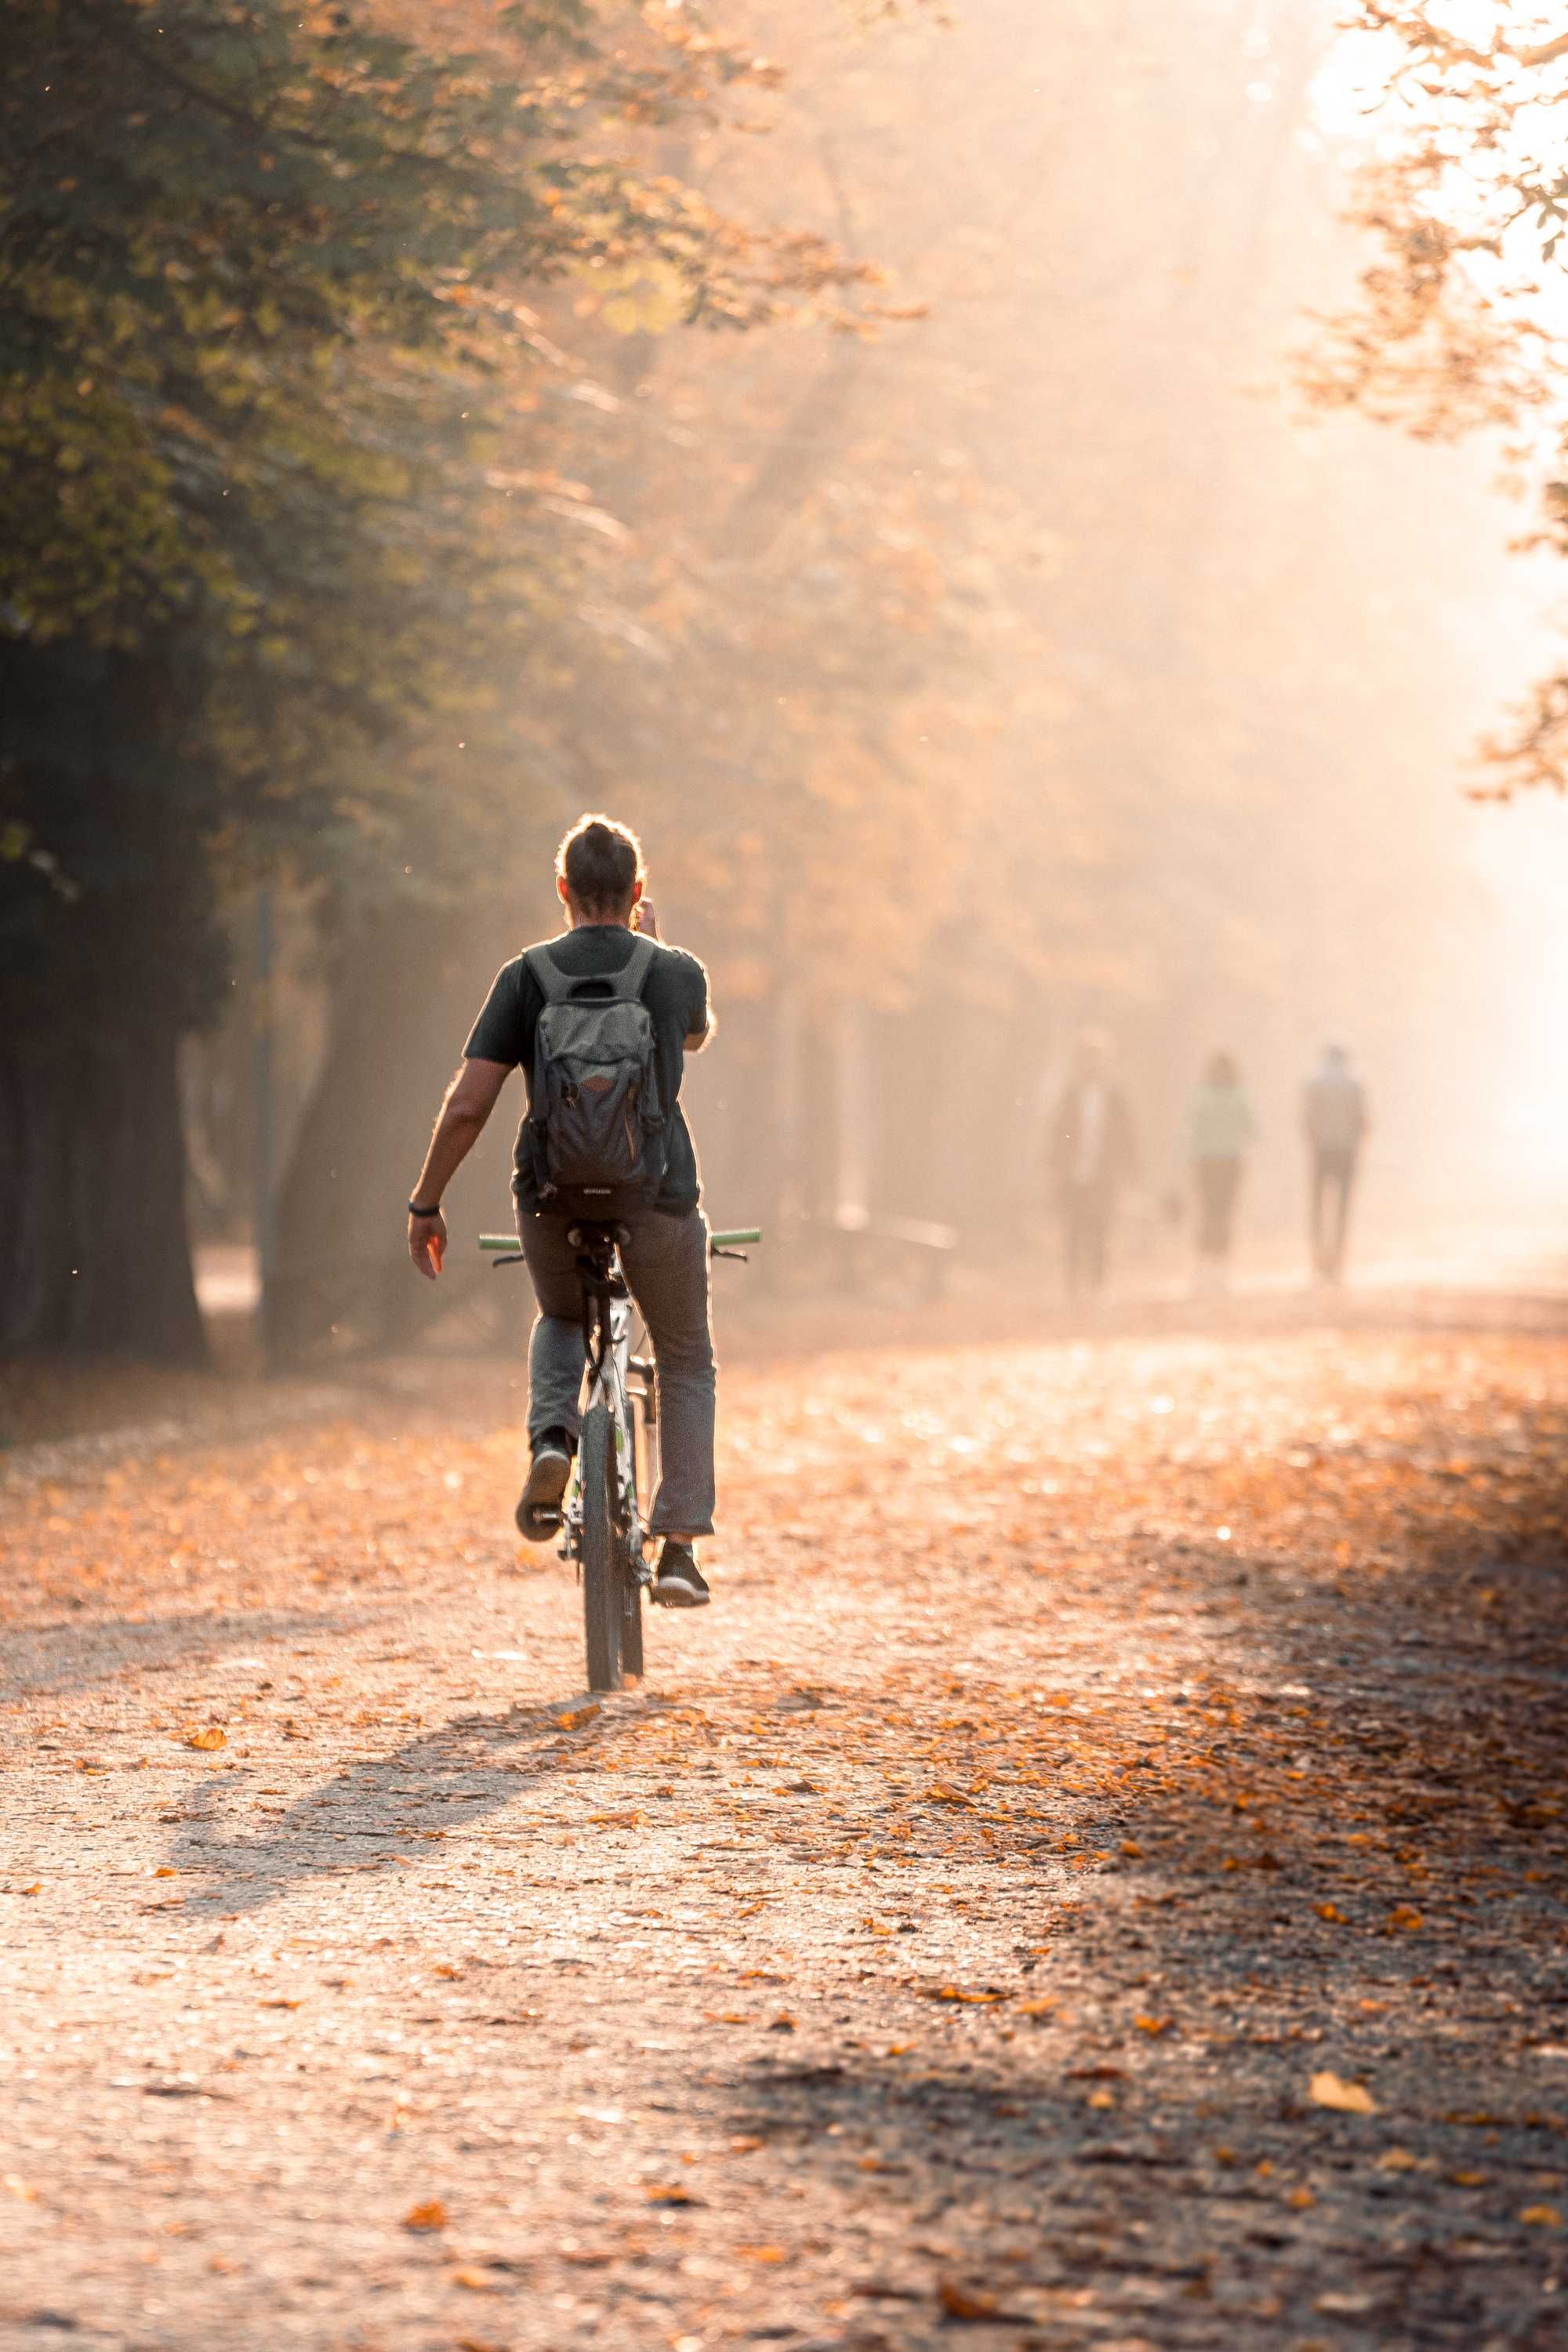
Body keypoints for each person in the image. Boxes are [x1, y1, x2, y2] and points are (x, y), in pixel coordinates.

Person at [405, 815, 717, 1608]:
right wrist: (663, 946)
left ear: (563, 891)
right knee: (682, 1355)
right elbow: (694, 1037)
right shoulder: (674, 972)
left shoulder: (527, 977)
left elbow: (470, 1104)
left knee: (558, 1314)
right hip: (658, 1198)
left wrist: (426, 1202)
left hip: (550, 1198)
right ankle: (678, 1546)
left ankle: (553, 1437)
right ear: (636, 891)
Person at [1046, 1029, 1138, 1298]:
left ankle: (1098, 1284)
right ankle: (1072, 1283)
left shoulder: (1115, 1096)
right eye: (1089, 1058)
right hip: (1073, 1173)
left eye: (1098, 1058)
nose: (1093, 1064)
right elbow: (1057, 1131)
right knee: (1073, 1227)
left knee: (1101, 1227)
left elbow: (1127, 1134)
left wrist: (1131, 1167)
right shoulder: (1070, 1095)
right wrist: (1054, 1163)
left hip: (1104, 1174)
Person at [1185, 1051, 1256, 1289]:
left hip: (1205, 1161)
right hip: (1230, 1161)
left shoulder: (1201, 1096)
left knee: (1208, 1212)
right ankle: (1220, 1268)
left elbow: (1190, 1128)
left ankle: (1204, 1267)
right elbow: (1253, 1130)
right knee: (1223, 1213)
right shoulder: (1239, 1096)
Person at [1302, 1041, 1368, 1283]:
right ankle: (1338, 1262)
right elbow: (1363, 1120)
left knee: (1318, 1207)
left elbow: (1307, 1118)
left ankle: (1318, 1261)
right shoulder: (1354, 1083)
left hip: (1321, 1150)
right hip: (1346, 1150)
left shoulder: (1314, 1081)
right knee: (1342, 1208)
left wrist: (1313, 1143)